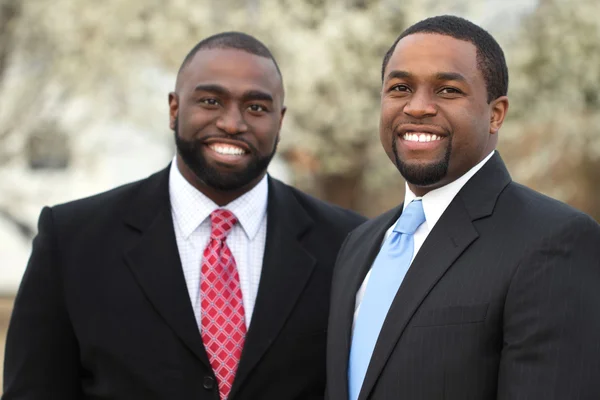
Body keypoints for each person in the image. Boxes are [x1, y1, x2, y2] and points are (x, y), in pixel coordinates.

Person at [3, 32, 365, 400]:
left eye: (256, 107)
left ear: (280, 120)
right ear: (174, 109)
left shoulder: (349, 245)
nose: (232, 123)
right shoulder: (73, 241)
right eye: (210, 101)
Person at [326, 15, 600, 400]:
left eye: (448, 90)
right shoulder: (359, 244)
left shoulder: (555, 241)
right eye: (401, 87)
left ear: (496, 113)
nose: (418, 107)